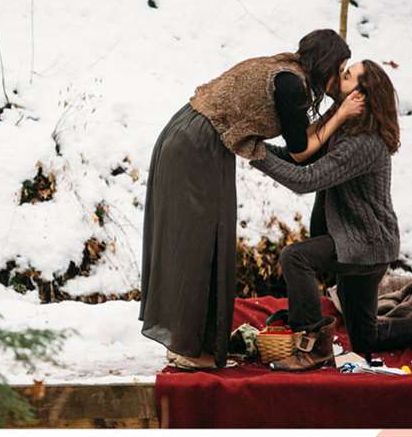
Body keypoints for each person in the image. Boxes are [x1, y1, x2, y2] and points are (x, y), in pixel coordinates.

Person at [138, 29, 365, 370]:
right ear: (327, 63)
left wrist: (336, 113)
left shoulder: (286, 69)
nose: (340, 76)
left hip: (190, 135)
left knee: (198, 238)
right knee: (200, 242)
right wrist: (341, 115)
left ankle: (190, 343)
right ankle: (191, 349)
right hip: (198, 145)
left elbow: (299, 139)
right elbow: (301, 151)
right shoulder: (291, 85)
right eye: (341, 67)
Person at [250, 60, 412, 372]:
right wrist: (254, 147)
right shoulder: (343, 126)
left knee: (295, 258)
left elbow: (306, 179)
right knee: (367, 338)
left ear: (362, 96)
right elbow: (299, 159)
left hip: (366, 243)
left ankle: (312, 346)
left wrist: (255, 155)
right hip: (352, 238)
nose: (340, 77)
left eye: (347, 75)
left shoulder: (364, 143)